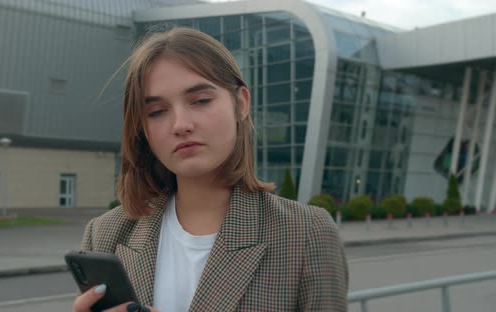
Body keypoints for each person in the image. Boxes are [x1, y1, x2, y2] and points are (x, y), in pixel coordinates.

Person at [73, 27, 348, 312]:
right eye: (157, 111)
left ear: (241, 103)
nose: (180, 124)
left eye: (201, 101)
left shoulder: (304, 233)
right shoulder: (106, 233)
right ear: (142, 128)